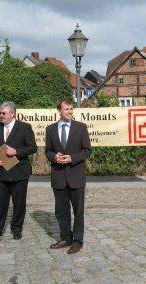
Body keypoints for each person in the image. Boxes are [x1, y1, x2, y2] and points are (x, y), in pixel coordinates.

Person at [0, 101, 37, 241]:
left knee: (19, 203)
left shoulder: (24, 127)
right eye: (0, 112)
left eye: (4, 113)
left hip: (19, 172)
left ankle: (16, 229)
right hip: (2, 172)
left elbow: (33, 147)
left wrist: (17, 151)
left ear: (12, 114)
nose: (1, 115)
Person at [45, 99, 91, 254]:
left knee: (78, 211)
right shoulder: (50, 129)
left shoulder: (81, 128)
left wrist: (72, 158)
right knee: (61, 210)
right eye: (67, 109)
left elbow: (87, 151)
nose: (70, 112)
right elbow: (48, 151)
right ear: (59, 111)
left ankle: (78, 241)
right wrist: (54, 157)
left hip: (76, 176)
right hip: (58, 176)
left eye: (71, 109)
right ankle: (66, 238)